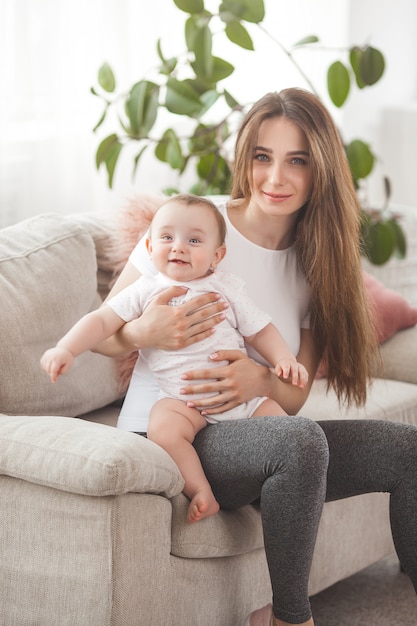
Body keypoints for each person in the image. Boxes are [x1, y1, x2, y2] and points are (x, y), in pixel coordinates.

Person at [90, 88, 417, 626]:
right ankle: (291, 617)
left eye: (297, 162)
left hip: (260, 432)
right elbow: (104, 334)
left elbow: (293, 394)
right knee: (299, 438)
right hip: (180, 430)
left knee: (406, 450)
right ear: (246, 158)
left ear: (322, 171)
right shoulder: (194, 226)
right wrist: (143, 331)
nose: (275, 179)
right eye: (263, 157)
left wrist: (259, 379)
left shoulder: (319, 262)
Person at [40, 193, 309, 524]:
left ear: (217, 255)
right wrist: (65, 348)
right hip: (183, 402)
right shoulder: (145, 291)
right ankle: (200, 491)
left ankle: (282, 495)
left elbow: (260, 330)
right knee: (163, 429)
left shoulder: (227, 287)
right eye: (167, 237)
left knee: (289, 432)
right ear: (150, 248)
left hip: (244, 399)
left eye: (194, 240)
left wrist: (283, 360)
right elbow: (101, 321)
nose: (179, 246)